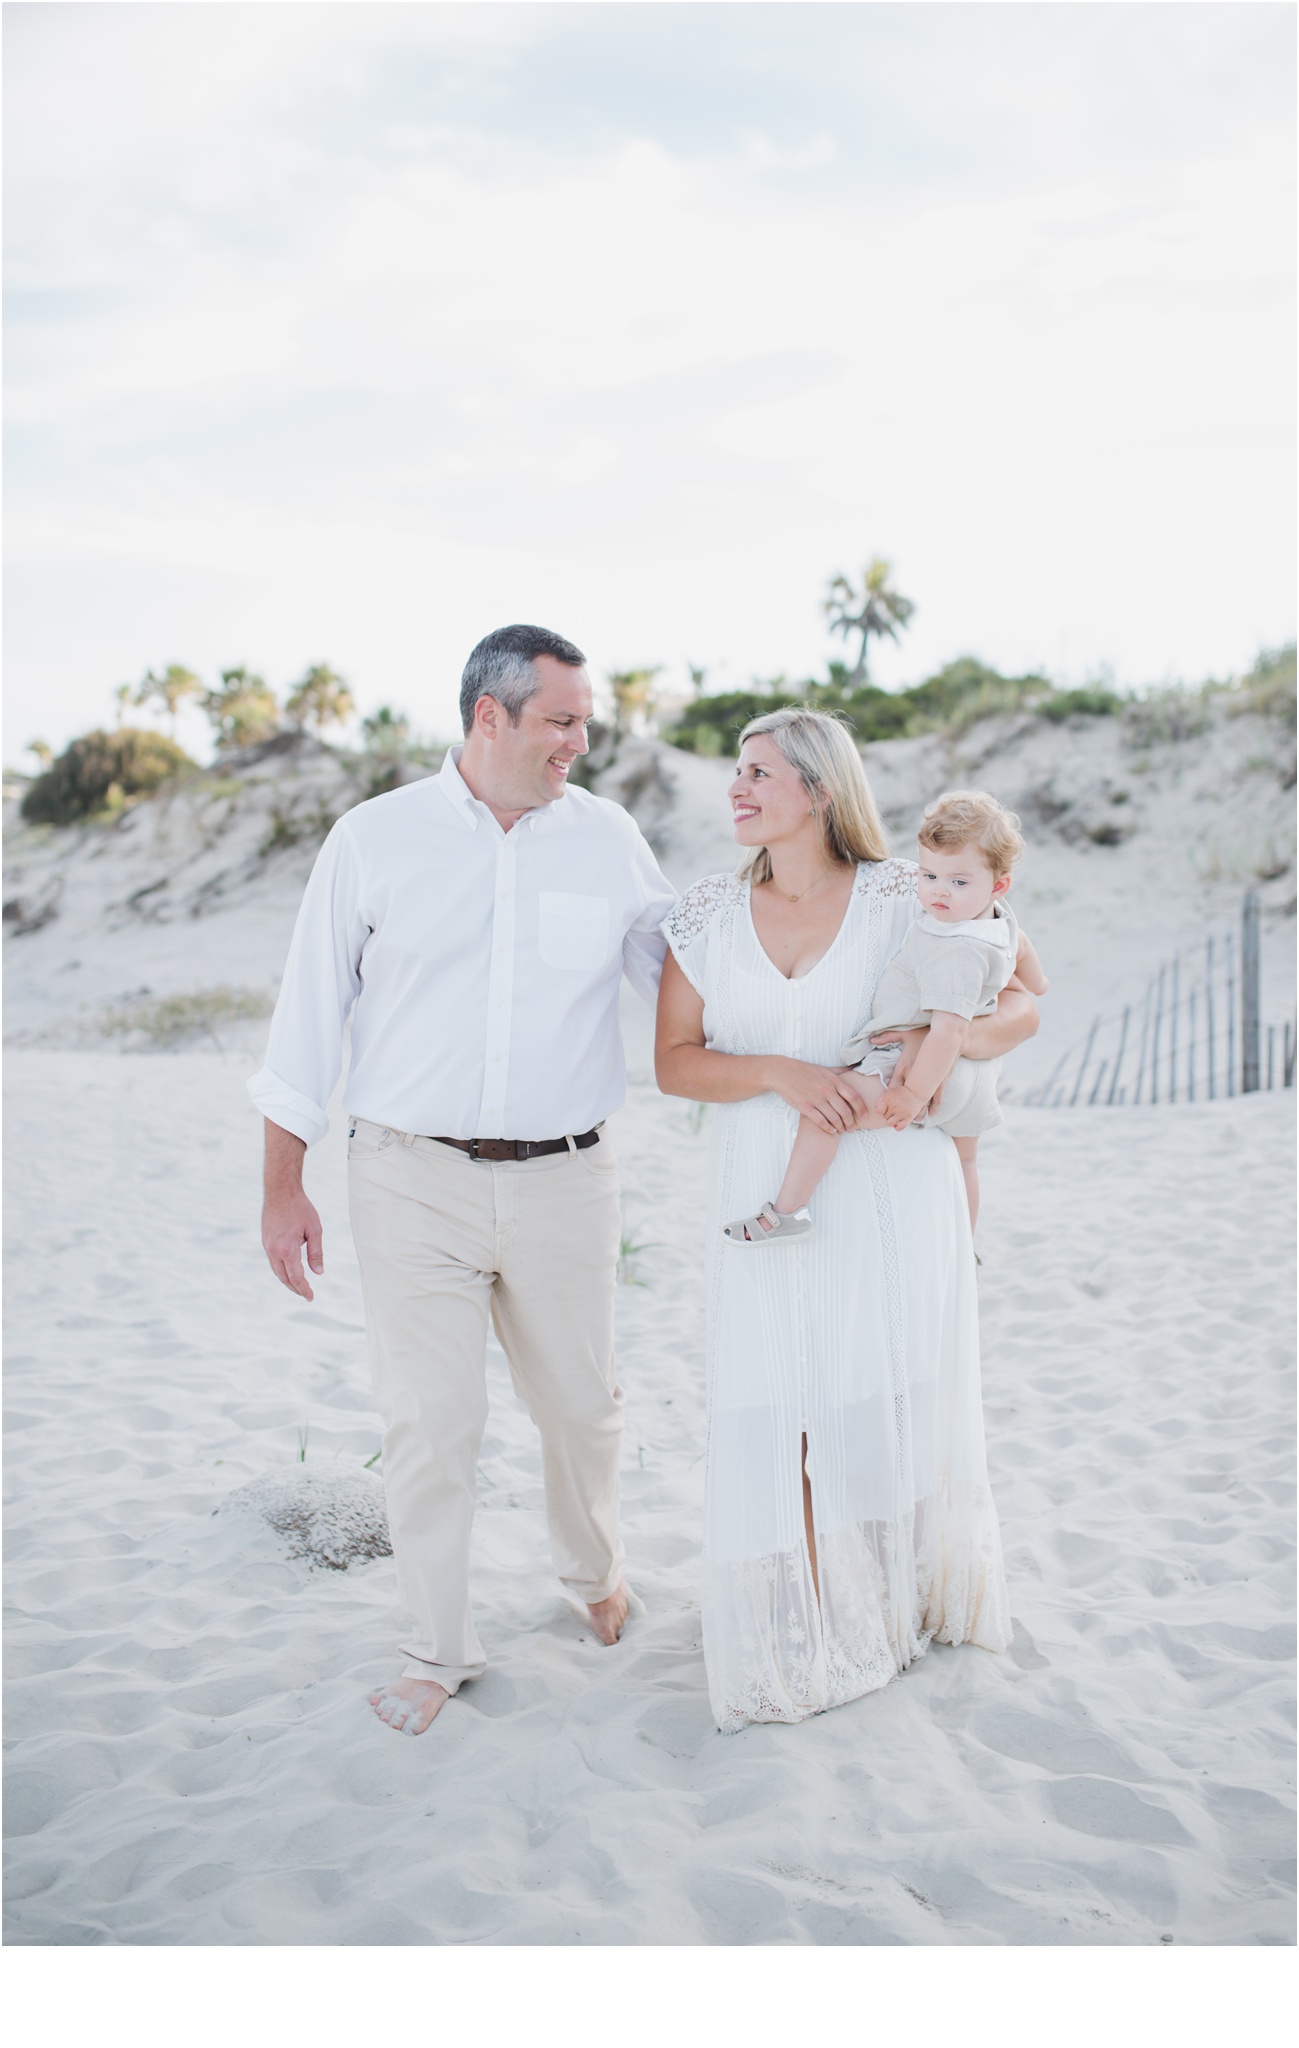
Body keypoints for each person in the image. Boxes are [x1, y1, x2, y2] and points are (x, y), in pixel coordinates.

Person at [250, 624, 676, 1736]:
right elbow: (307, 1017)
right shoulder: (372, 838)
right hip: (408, 1176)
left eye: (584, 720)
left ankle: (594, 1574)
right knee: (430, 1422)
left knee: (583, 1409)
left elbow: (681, 979)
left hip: (567, 1180)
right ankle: (438, 1645)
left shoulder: (608, 838)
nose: (581, 742)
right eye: (563, 720)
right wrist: (281, 1186)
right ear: (491, 716)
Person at [654, 708, 1036, 1733]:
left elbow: (1026, 1000)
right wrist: (781, 1070)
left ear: (819, 790)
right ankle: (803, 1609)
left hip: (884, 1184)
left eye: (759, 772)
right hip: (761, 1187)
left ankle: (877, 1604)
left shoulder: (900, 897)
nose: (736, 788)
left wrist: (933, 1057)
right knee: (777, 1402)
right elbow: (674, 1062)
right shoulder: (702, 916)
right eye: (735, 771)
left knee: (865, 1398)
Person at [723, 788, 1048, 1243]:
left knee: (827, 1112)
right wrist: (1038, 982)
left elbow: (948, 1031)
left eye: (958, 882)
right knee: (967, 1162)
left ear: (998, 884)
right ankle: (965, 1245)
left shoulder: (953, 946)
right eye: (930, 874)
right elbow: (1025, 955)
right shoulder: (997, 921)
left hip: (914, 1068)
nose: (938, 892)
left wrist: (914, 1094)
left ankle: (788, 1210)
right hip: (979, 1077)